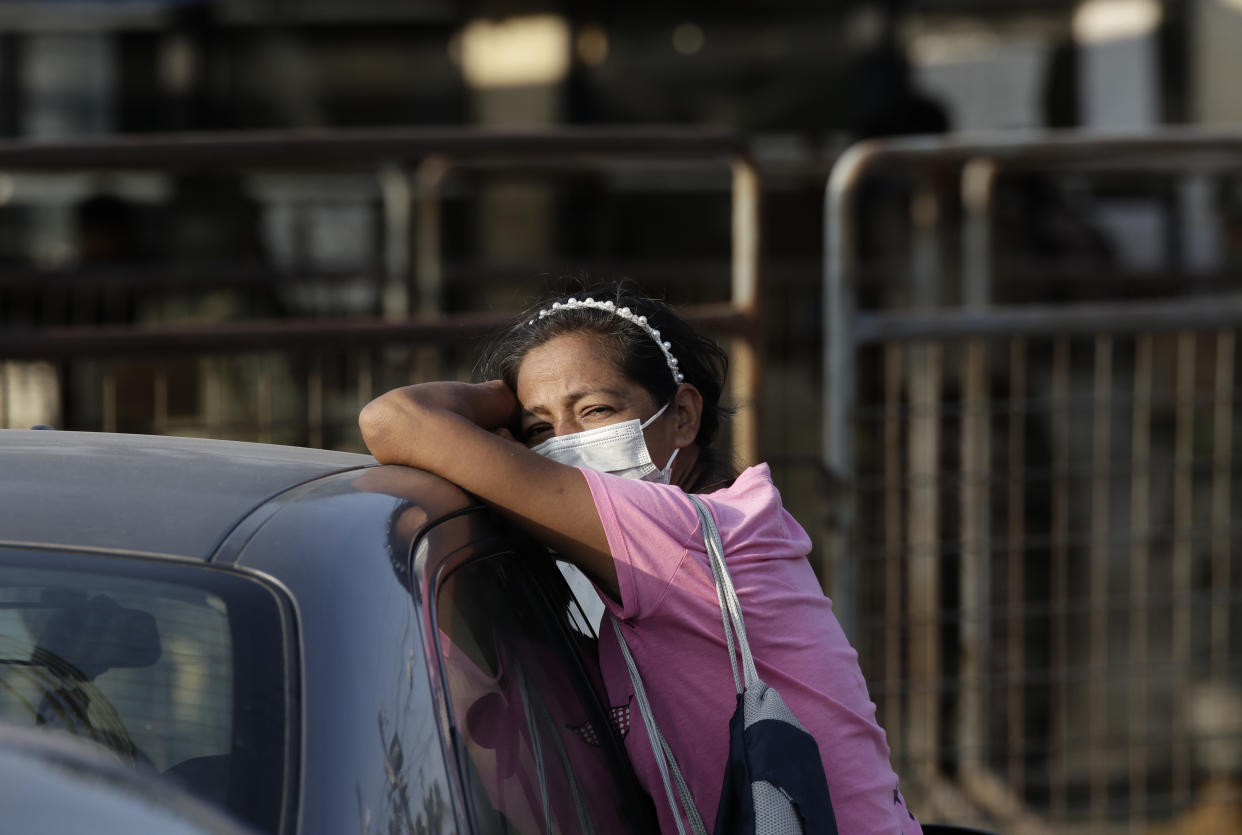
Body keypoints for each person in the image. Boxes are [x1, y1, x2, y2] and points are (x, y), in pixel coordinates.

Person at [359, 284, 920, 834]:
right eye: (540, 428)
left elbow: (394, 421)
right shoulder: (705, 535)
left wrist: (506, 396)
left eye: (596, 409)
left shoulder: (679, 535)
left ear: (683, 415)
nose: (566, 442)